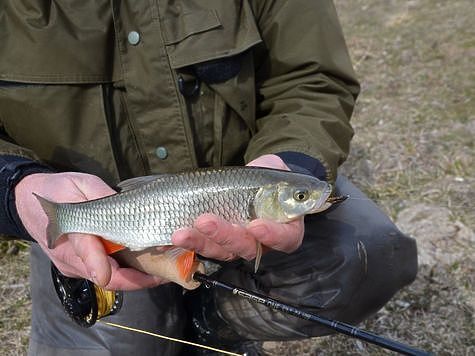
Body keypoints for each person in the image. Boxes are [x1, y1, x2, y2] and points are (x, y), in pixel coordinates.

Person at [0, 0, 417, 355]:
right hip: (92, 219)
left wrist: (293, 162)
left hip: (246, 172)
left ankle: (212, 316)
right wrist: (16, 190)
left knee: (368, 254)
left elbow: (312, 78)